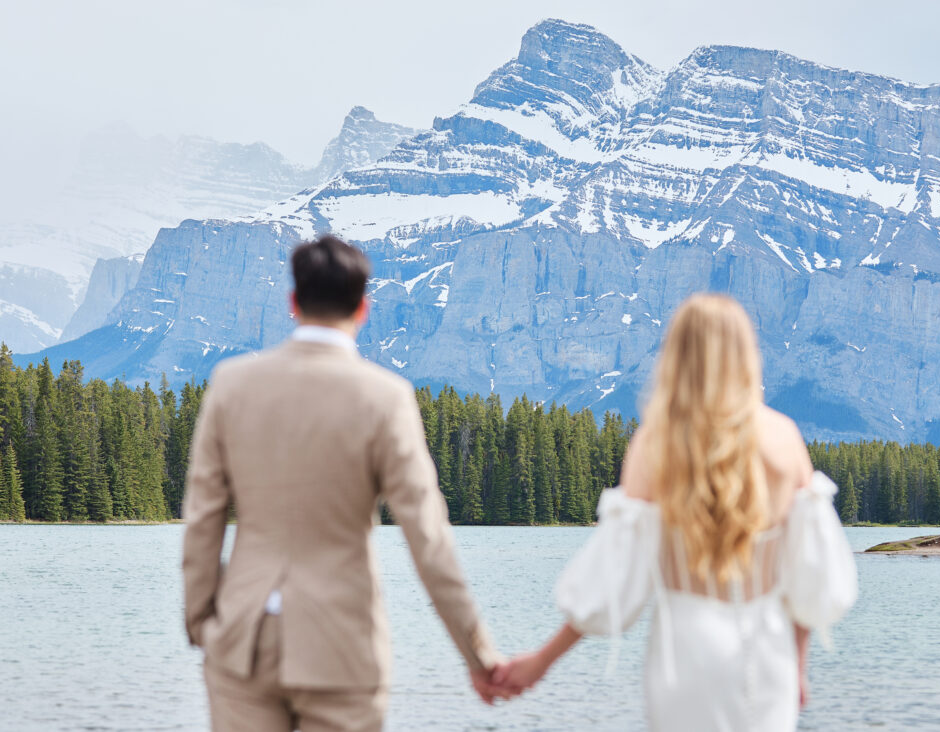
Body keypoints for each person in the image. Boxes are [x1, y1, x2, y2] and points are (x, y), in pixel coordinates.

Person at [181, 234, 506, 732]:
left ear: (293, 303)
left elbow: (202, 519)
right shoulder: (385, 398)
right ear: (363, 308)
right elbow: (428, 539)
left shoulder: (231, 384)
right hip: (340, 643)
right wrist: (477, 653)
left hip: (242, 640)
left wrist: (202, 623)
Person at [494, 293, 858, 731]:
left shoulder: (655, 444)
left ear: (678, 356)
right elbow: (808, 581)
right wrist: (797, 668)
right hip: (768, 649)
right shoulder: (784, 439)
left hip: (686, 649)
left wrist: (541, 661)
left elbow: (612, 583)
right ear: (746, 354)